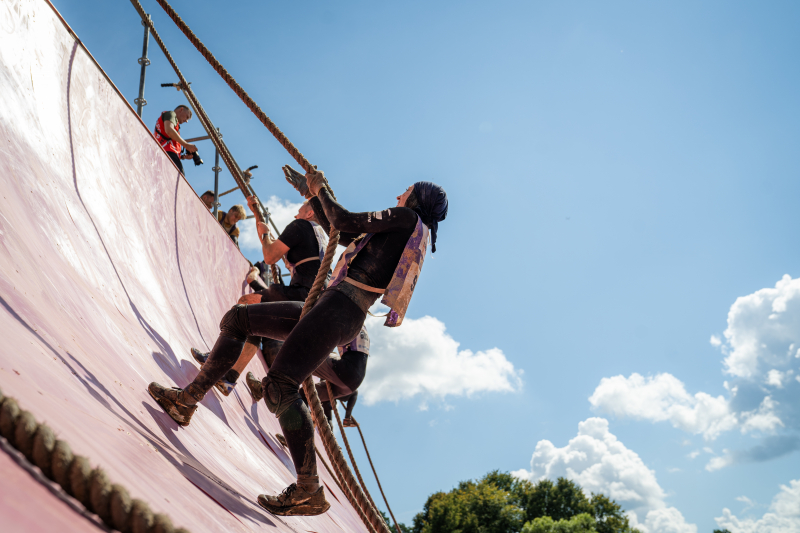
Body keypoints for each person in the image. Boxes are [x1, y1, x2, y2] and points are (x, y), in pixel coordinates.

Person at [147, 171, 448, 516]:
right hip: (336, 309)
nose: (398, 196)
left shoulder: (405, 218)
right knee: (238, 319)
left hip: (337, 309)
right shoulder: (407, 232)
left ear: (417, 199)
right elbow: (342, 231)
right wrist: (312, 193)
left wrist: (319, 187)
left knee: (280, 386)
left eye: (405, 191)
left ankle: (308, 488)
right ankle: (185, 401)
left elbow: (343, 220)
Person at [190, 197, 328, 394]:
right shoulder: (320, 237)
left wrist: (264, 235)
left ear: (309, 213)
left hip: (301, 294)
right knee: (256, 323)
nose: (295, 215)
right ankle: (229, 379)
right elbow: (272, 245)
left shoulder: (301, 225)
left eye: (299, 211)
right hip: (317, 304)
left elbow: (270, 255)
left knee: (245, 305)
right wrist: (256, 213)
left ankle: (216, 359)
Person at [245, 324, 370, 427]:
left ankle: (261, 390)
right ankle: (297, 434)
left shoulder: (349, 319)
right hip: (353, 383)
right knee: (304, 394)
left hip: (344, 371)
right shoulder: (361, 326)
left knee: (296, 358)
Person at [153, 105, 197, 175]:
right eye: (187, 117)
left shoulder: (175, 128)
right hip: (168, 154)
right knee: (179, 179)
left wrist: (182, 157)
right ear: (181, 109)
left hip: (162, 153)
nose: (186, 121)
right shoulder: (171, 114)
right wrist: (186, 145)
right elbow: (169, 130)